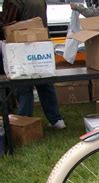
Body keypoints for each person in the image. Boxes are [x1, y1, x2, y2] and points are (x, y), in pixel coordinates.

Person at [2, 0, 66, 129]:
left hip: (22, 46)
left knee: (24, 86)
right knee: (45, 84)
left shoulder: (14, 1)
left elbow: (7, 22)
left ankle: (25, 124)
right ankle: (56, 120)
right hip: (41, 44)